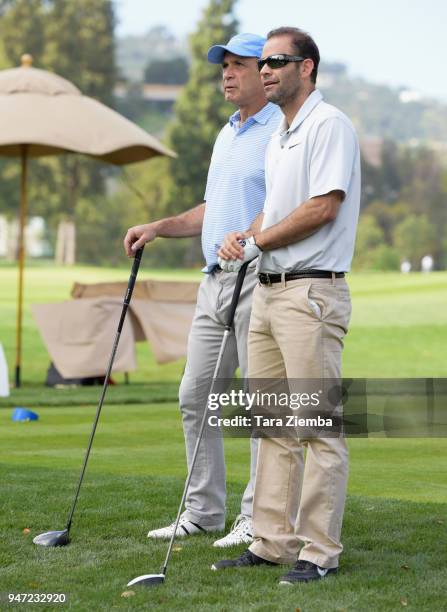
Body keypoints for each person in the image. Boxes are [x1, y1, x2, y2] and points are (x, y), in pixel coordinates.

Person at [213, 26, 360, 581]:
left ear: (307, 69)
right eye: (264, 61)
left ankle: (318, 552)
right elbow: (274, 212)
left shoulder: (329, 125)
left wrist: (258, 240)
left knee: (318, 427)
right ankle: (272, 541)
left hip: (311, 291)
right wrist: (242, 235)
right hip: (270, 293)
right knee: (272, 424)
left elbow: (322, 207)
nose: (266, 69)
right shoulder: (280, 135)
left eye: (278, 61)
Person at [123, 33, 282, 547]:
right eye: (224, 68)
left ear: (267, 72)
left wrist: (250, 235)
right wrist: (159, 226)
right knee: (196, 394)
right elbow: (213, 210)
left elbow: (282, 202)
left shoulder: (282, 127)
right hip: (213, 279)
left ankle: (259, 516)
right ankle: (203, 511)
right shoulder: (227, 134)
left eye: (239, 66)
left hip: (257, 276)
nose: (228, 75)